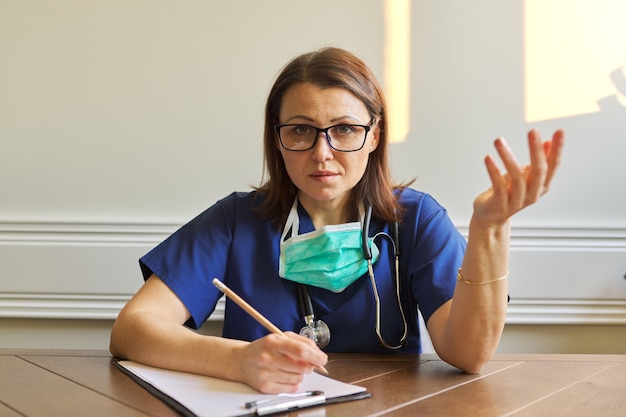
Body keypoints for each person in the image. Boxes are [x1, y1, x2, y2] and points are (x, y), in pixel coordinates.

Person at [109, 47, 565, 394]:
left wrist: (491, 227)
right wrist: (239, 361)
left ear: (374, 136)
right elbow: (133, 329)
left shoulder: (416, 218)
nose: (322, 153)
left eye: (344, 129)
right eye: (301, 130)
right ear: (278, 137)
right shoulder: (235, 220)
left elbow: (469, 355)